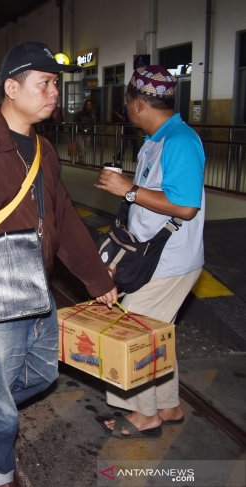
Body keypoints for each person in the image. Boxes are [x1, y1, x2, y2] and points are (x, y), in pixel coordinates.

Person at [0, 41, 117, 487]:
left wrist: (96, 278)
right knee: (0, 408)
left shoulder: (43, 151)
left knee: (43, 374)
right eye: (44, 83)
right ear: (12, 88)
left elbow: (65, 220)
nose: (53, 92)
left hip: (37, 288)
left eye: (55, 84)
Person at [95, 65, 205, 439]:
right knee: (156, 335)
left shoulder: (180, 141)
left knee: (130, 333)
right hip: (153, 256)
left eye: (127, 101)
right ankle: (168, 405)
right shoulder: (157, 140)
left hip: (170, 260)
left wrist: (128, 189)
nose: (126, 108)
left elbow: (186, 206)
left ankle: (144, 415)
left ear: (139, 102)